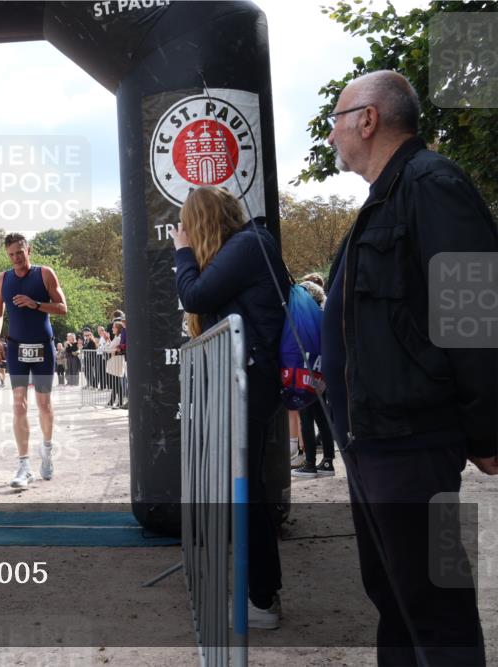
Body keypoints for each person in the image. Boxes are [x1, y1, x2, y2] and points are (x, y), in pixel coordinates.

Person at [324, 70, 496, 664]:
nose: (332, 137)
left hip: (413, 443)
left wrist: (487, 430)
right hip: (375, 441)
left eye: (336, 122)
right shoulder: (384, 198)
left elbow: (473, 316)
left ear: (367, 120)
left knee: (435, 605)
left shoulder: (433, 184)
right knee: (395, 597)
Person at [173, 185, 289, 629]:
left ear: (201, 221)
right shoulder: (247, 246)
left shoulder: (247, 245)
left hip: (251, 381)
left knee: (247, 491)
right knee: (243, 487)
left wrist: (184, 253)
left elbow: (195, 296)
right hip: (249, 380)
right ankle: (259, 592)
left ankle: (261, 598)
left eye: (188, 224)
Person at [0, 233, 68, 489]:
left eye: (19, 253)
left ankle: (46, 448)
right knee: (18, 405)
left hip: (43, 347)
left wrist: (36, 304)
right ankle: (23, 465)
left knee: (44, 404)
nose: (16, 258)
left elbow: (62, 307)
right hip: (16, 347)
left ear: (29, 250)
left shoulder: (44, 273)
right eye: (11, 254)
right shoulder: (3, 279)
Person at [290, 280, 336, 478]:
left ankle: (309, 462)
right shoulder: (323, 316)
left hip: (308, 370)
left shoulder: (307, 319)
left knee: (307, 417)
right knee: (321, 416)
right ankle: (327, 461)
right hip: (321, 372)